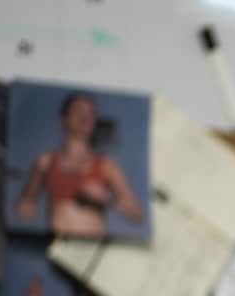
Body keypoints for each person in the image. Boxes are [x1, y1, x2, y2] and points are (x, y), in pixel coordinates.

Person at [14, 92, 143, 238]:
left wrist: (106, 199)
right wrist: (27, 210)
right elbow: (25, 206)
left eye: (91, 113)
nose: (85, 117)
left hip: (93, 246)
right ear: (64, 118)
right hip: (60, 245)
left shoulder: (107, 166)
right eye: (78, 111)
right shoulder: (45, 161)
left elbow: (137, 214)